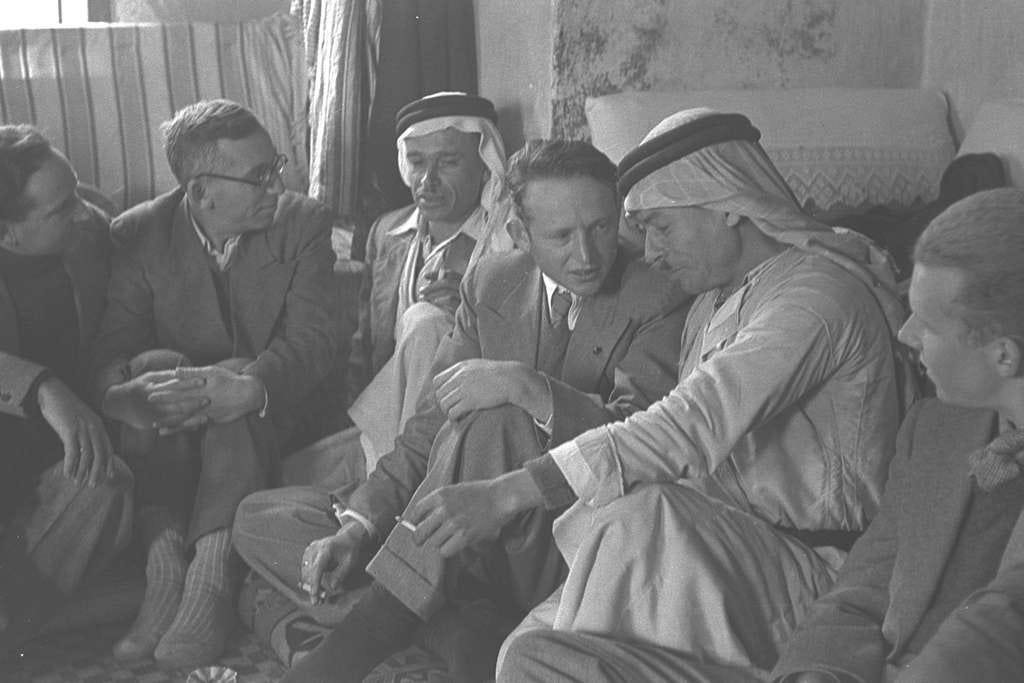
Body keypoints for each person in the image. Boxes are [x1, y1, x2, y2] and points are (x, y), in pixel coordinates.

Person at [418, 108, 916, 682]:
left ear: (727, 205)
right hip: (709, 545)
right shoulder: (709, 302)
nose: (649, 251)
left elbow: (685, 427)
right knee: (526, 658)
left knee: (640, 517)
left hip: (810, 571)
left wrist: (507, 494)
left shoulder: (817, 296)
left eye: (661, 227)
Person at [233, 139, 689, 681]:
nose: (587, 255)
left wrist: (527, 388)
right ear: (520, 235)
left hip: (566, 538)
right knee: (258, 517)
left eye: (601, 228)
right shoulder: (491, 280)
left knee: (495, 420)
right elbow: (428, 427)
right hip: (466, 542)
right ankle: (451, 617)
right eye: (561, 236)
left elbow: (641, 440)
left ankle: (383, 623)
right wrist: (356, 527)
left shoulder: (657, 293)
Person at [93, 99, 338, 668]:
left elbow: (316, 343)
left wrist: (249, 388)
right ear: (201, 192)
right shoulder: (138, 233)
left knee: (233, 376)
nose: (278, 183)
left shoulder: (304, 224)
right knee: (155, 363)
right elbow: (111, 348)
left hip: (277, 409)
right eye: (259, 176)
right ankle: (165, 565)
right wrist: (121, 395)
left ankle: (210, 572)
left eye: (275, 166)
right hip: (175, 428)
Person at [772, 187, 1024, 683]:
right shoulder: (934, 428)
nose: (906, 335)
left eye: (927, 324)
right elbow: (862, 586)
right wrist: (816, 673)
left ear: (1003, 355)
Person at [0, 124, 132, 654]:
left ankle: (17, 624)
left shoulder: (91, 231)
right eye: (60, 208)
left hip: (55, 458)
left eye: (76, 189)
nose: (83, 210)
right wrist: (41, 387)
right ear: (9, 233)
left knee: (106, 483)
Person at [346, 91, 509, 475]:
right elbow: (364, 342)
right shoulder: (386, 232)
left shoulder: (505, 239)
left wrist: (472, 313)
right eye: (417, 162)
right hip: (382, 412)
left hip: (463, 420)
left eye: (448, 162)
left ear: (484, 166)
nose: (428, 180)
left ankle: (401, 484)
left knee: (426, 321)